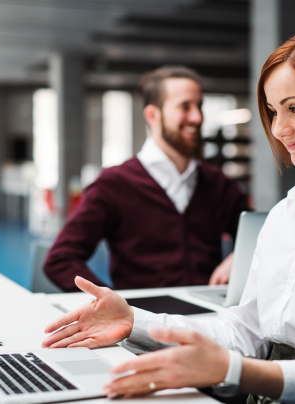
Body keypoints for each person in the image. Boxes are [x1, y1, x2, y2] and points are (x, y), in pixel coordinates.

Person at [41, 24, 295, 404]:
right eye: (272, 111)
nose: (280, 129)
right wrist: (134, 321)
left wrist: (233, 370)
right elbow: (245, 332)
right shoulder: (285, 214)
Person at [44, 66, 250, 291]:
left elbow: (260, 238)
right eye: (185, 107)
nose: (198, 117)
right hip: (144, 321)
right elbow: (60, 260)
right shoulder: (113, 185)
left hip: (210, 321)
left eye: (199, 106)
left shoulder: (218, 183)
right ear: (153, 115)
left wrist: (241, 257)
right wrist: (110, 303)